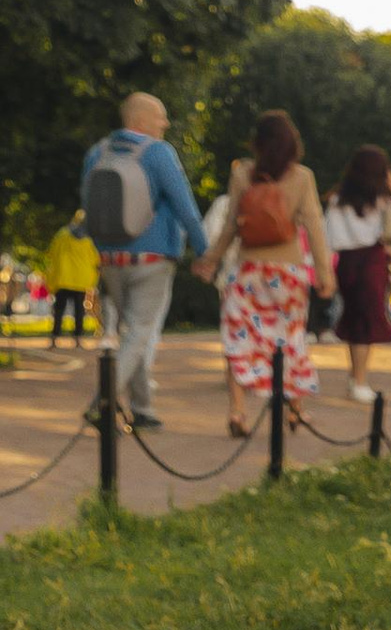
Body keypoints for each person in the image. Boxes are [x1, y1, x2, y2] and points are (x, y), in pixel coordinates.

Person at [79, 91, 209, 434]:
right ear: (139, 120)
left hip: (110, 258)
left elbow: (87, 204)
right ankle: (102, 403)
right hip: (152, 257)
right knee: (139, 332)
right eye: (160, 116)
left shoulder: (97, 152)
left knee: (131, 332)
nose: (165, 123)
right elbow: (185, 206)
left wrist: (100, 249)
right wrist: (204, 251)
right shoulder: (158, 153)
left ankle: (143, 409)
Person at [203, 108, 335, 435]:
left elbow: (231, 225)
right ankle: (295, 410)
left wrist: (211, 260)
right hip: (288, 271)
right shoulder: (302, 177)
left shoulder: (242, 174)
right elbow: (315, 228)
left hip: (247, 270)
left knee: (238, 340)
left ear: (257, 143)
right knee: (289, 340)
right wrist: (325, 274)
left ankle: (237, 411)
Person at [321, 145, 391, 411]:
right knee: (366, 322)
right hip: (371, 260)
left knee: (355, 318)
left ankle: (355, 378)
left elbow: (329, 236)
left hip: (346, 262)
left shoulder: (337, 200)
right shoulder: (383, 199)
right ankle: (359, 381)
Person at [43, 212, 97, 347]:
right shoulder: (88, 239)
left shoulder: (62, 235)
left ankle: (54, 339)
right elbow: (95, 259)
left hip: (63, 278)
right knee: (79, 311)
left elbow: (52, 254)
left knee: (59, 310)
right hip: (81, 280)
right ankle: (78, 340)